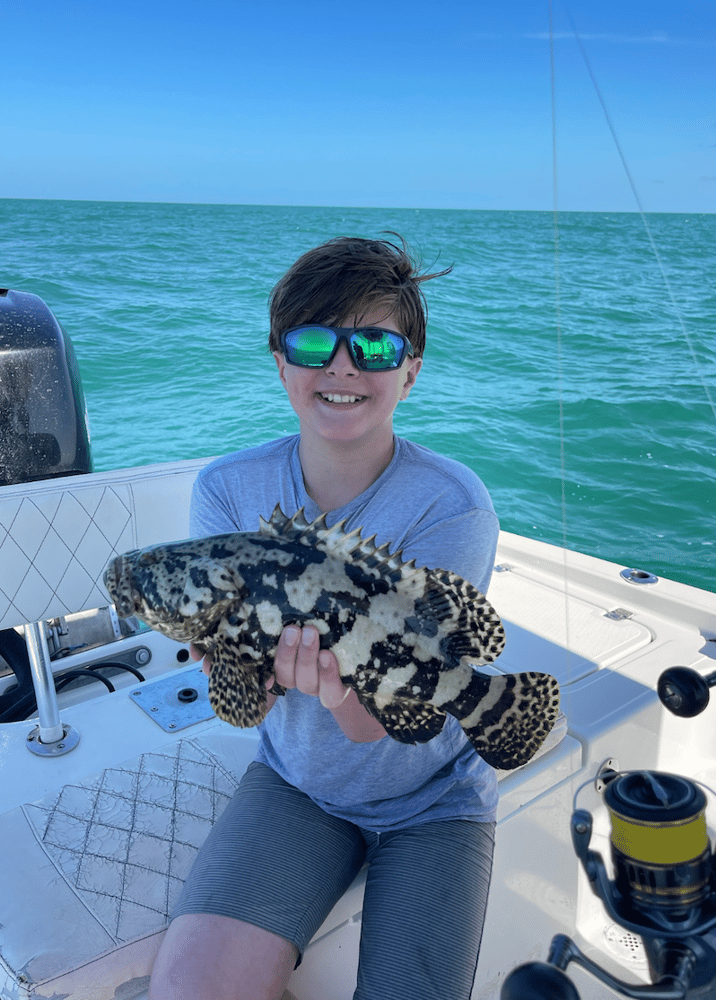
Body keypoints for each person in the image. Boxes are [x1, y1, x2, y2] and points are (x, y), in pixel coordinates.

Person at [148, 234, 500, 1000]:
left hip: (435, 796)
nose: (341, 366)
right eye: (312, 341)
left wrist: (339, 689)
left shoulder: (451, 505)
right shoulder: (227, 490)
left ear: (410, 370)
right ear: (280, 363)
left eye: (374, 344)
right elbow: (247, 707)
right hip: (298, 785)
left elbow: (399, 715)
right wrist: (245, 671)